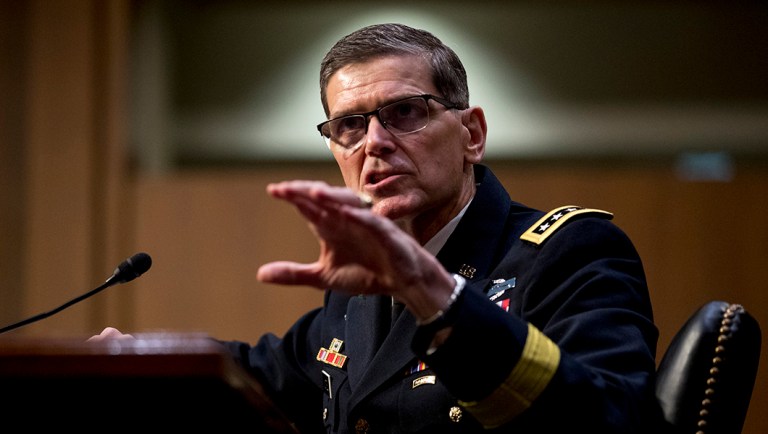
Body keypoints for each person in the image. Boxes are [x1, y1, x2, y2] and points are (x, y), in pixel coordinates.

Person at [92, 23, 665, 433]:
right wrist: (136, 359)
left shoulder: (571, 252)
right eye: (348, 126)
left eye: (405, 113)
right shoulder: (356, 286)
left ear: (472, 134)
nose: (375, 144)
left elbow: (613, 416)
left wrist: (433, 292)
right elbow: (268, 372)